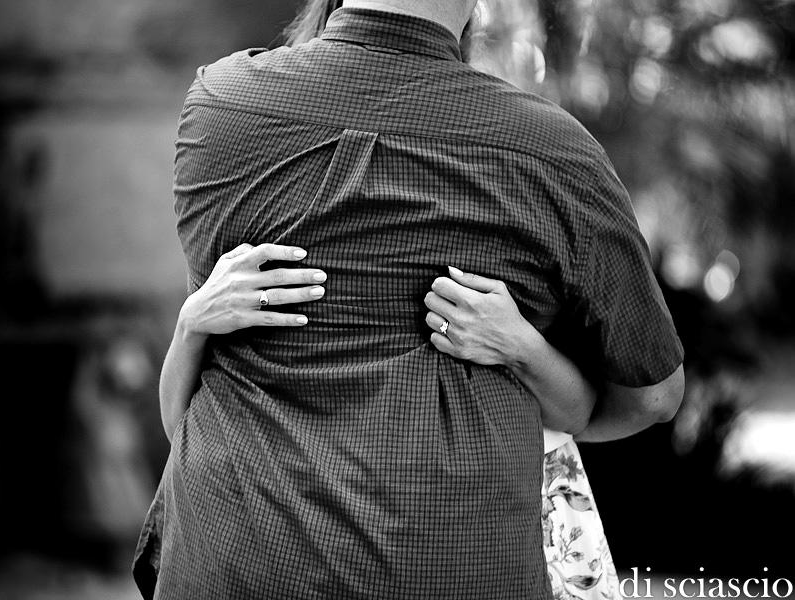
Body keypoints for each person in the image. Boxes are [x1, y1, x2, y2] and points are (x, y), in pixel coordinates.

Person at [134, 1, 685, 598]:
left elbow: (181, 416)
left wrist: (191, 324)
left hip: (232, 556)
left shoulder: (220, 107)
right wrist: (527, 351)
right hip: (448, 562)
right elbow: (654, 396)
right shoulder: (552, 153)